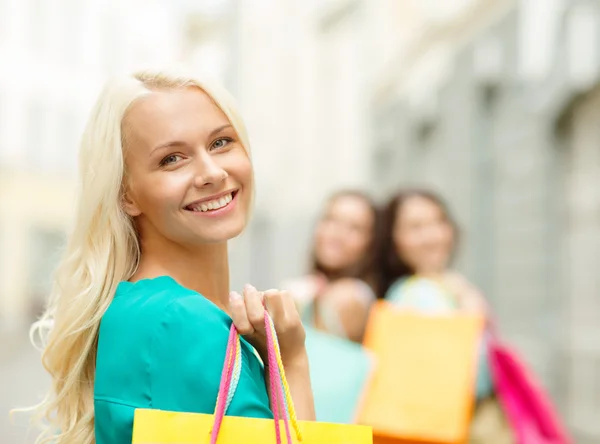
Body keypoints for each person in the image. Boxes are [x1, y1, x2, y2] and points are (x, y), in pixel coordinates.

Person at [24, 68, 315, 444]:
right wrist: (291, 361)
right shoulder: (181, 321)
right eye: (172, 159)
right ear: (126, 194)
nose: (212, 172)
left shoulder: (137, 306)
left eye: (221, 142)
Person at [379, 189, 512, 443]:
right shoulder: (416, 294)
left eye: (439, 221)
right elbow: (465, 379)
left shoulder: (448, 286)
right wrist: (470, 310)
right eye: (416, 227)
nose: (433, 236)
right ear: (394, 239)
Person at [283, 190, 379, 343]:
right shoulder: (314, 288)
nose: (337, 234)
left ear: (370, 243)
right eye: (331, 220)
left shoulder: (349, 297)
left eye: (355, 228)